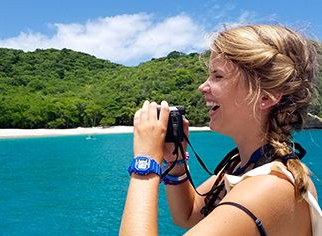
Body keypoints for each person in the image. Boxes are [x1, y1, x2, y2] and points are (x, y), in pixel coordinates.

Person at [120, 24, 322, 235]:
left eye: (217, 76)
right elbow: (187, 215)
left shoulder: (269, 187)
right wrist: (176, 162)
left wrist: (144, 162)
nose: (202, 87)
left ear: (266, 96)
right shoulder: (244, 166)